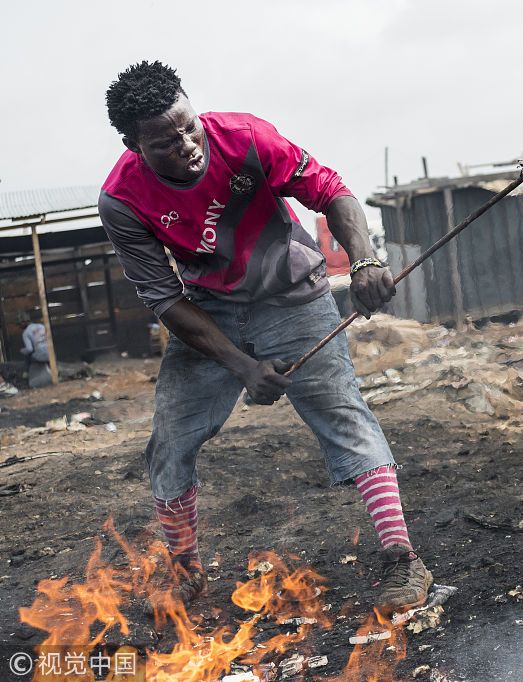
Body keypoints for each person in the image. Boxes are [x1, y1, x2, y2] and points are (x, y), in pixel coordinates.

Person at [99, 61, 432, 613]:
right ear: (134, 145)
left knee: (343, 415)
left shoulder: (247, 137)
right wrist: (241, 365)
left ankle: (403, 561)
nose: (186, 145)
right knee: (171, 441)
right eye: (164, 142)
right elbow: (165, 300)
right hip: (207, 312)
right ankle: (186, 574)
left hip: (294, 299)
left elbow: (332, 192)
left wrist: (366, 259)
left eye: (188, 126)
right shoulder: (122, 199)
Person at [19, 310, 52, 388]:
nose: (19, 326)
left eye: (20, 324)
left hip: (40, 357)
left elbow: (29, 349)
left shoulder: (26, 333)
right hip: (50, 355)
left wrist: (22, 351)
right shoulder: (41, 326)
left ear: (24, 322)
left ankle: (25, 376)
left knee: (26, 354)